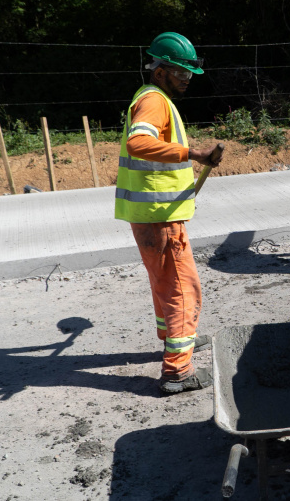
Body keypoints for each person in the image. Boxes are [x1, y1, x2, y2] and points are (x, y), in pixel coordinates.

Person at [114, 32, 224, 394]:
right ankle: (178, 371)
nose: (187, 80)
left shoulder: (152, 97)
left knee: (164, 284)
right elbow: (137, 142)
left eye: (190, 73)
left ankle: (176, 336)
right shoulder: (155, 102)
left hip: (152, 213)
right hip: (158, 216)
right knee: (183, 288)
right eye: (181, 72)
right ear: (160, 71)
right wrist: (194, 154)